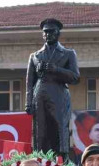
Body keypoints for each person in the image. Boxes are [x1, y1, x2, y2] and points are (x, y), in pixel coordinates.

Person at [25, 18, 80, 156]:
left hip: (59, 94)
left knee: (60, 130)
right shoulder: (34, 56)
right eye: (45, 32)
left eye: (51, 31)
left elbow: (75, 77)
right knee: (40, 132)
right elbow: (30, 81)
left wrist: (56, 69)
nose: (48, 34)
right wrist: (28, 103)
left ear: (58, 33)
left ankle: (64, 163)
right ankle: (40, 160)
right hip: (40, 95)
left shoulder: (68, 53)